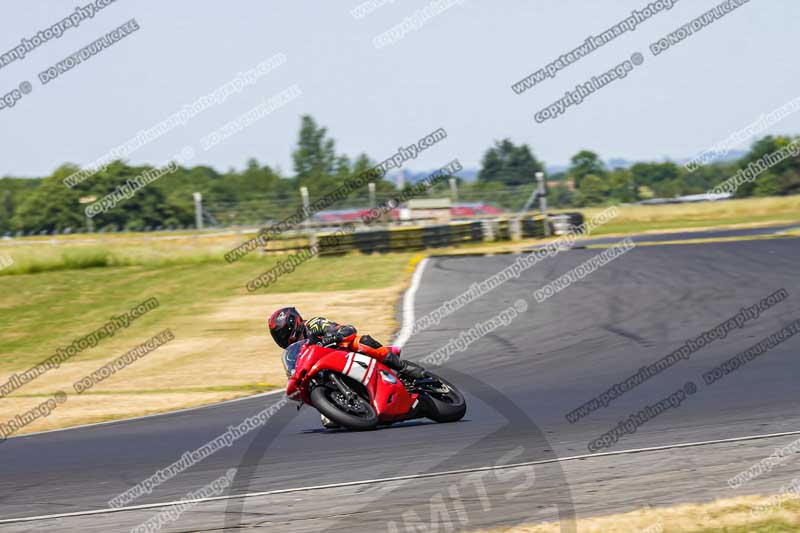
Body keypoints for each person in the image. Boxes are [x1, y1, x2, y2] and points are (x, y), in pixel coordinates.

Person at [267, 306, 426, 380]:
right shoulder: (294, 351)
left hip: (345, 355)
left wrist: (332, 337)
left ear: (291, 324)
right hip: (327, 370)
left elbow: (347, 329)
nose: (280, 338)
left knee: (360, 341)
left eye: (280, 333)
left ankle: (402, 367)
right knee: (329, 422)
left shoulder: (313, 324)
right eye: (277, 336)